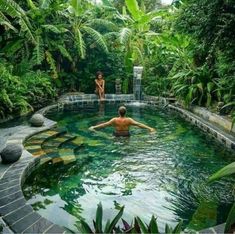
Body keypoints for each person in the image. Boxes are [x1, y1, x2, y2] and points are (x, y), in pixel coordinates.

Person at [89, 106, 156, 137]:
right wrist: (150, 128)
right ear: (126, 112)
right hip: (126, 134)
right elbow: (139, 124)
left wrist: (94, 127)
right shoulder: (129, 120)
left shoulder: (114, 120)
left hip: (117, 134)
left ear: (118, 112)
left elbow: (104, 124)